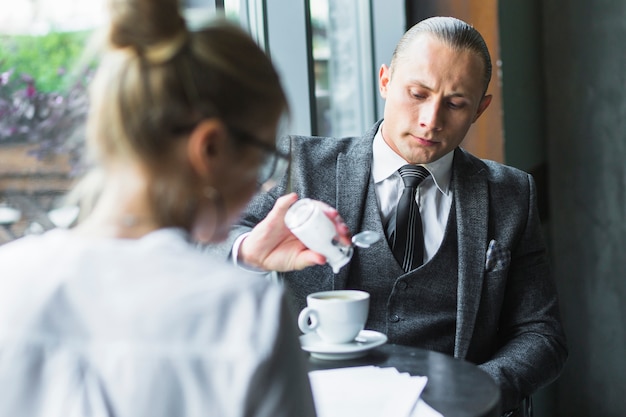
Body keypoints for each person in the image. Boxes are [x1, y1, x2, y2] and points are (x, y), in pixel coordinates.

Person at [213, 16, 567, 415]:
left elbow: (542, 334)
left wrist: (474, 392)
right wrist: (247, 252)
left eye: (455, 104)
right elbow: (198, 243)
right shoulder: (302, 165)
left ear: (480, 109)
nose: (430, 121)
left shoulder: (511, 193)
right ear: (385, 80)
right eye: (417, 93)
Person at [0, 0, 316, 416]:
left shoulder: (10, 279)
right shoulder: (245, 315)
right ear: (211, 146)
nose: (265, 182)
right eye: (262, 158)